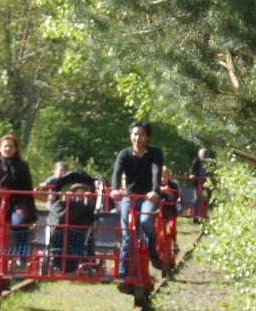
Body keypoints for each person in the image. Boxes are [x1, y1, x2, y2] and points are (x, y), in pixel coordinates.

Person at [110, 120, 163, 281]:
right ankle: (124, 271)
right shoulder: (124, 154)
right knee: (127, 232)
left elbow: (156, 172)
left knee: (146, 220)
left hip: (148, 196)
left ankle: (152, 249)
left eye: (141, 135)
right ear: (130, 136)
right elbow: (117, 173)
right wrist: (115, 188)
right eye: (134, 134)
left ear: (147, 137)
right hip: (130, 196)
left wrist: (155, 191)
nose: (137, 138)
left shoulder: (155, 153)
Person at [46, 170, 103, 273]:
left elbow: (92, 216)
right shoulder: (61, 204)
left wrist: (88, 199)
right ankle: (57, 264)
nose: (80, 194)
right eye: (77, 191)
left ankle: (73, 265)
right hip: (61, 231)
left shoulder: (88, 205)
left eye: (82, 191)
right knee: (59, 236)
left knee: (77, 238)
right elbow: (56, 216)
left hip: (79, 233)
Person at [160, 166, 180, 257]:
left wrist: (170, 194)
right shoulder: (157, 186)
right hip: (161, 210)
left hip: (171, 209)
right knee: (161, 229)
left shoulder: (173, 185)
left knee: (172, 226)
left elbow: (176, 197)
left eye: (165, 176)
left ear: (169, 176)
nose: (163, 179)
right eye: (161, 176)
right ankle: (162, 245)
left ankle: (174, 242)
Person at [189, 147, 208, 223]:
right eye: (202, 154)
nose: (204, 155)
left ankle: (203, 216)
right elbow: (192, 170)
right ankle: (196, 217)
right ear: (199, 154)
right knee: (196, 199)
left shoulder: (209, 162)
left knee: (205, 199)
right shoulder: (196, 161)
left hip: (206, 184)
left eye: (205, 154)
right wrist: (192, 175)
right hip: (197, 183)